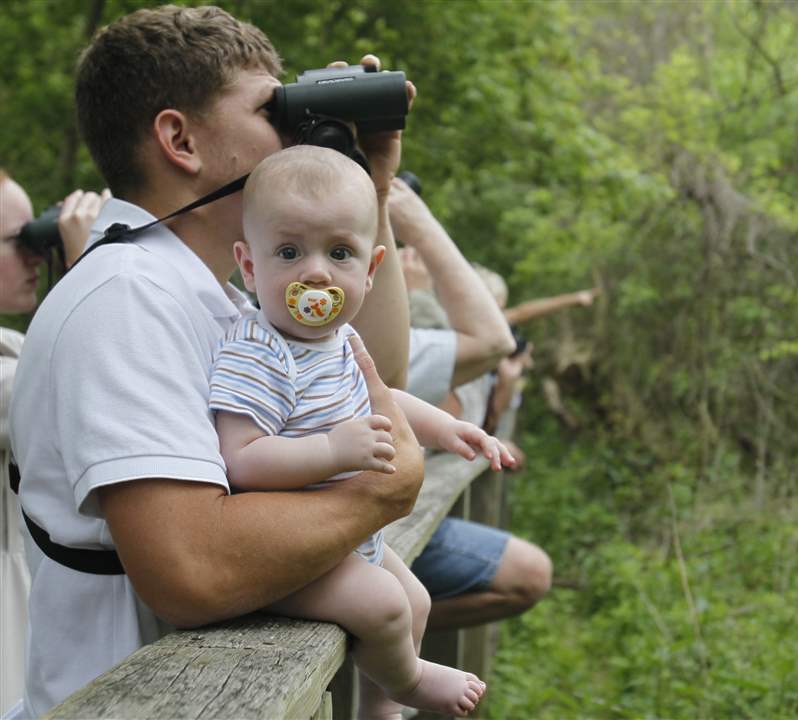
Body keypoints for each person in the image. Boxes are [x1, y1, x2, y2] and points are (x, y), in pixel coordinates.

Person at [8, 6, 422, 716]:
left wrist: (370, 189)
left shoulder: (214, 293)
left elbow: (372, 375)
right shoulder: (126, 299)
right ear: (179, 139)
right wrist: (381, 493)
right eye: (273, 110)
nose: (294, 131)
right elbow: (190, 571)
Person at [210, 145, 515, 717]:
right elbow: (241, 458)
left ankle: (382, 708)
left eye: (340, 252)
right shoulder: (258, 351)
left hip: (341, 536)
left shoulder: (339, 341)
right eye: (289, 251)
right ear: (250, 266)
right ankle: (410, 684)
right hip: (285, 549)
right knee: (383, 604)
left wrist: (448, 428)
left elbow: (384, 399)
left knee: (416, 600)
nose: (317, 272)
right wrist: (330, 450)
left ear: (370, 270)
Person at [388, 180, 553, 632]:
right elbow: (490, 344)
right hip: (377, 528)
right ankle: (389, 644)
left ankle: (391, 642)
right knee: (530, 572)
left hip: (385, 526)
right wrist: (417, 280)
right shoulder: (407, 325)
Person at [0, 169, 108, 717]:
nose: (35, 256)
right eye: (18, 242)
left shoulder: (14, 346)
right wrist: (94, 266)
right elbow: (77, 378)